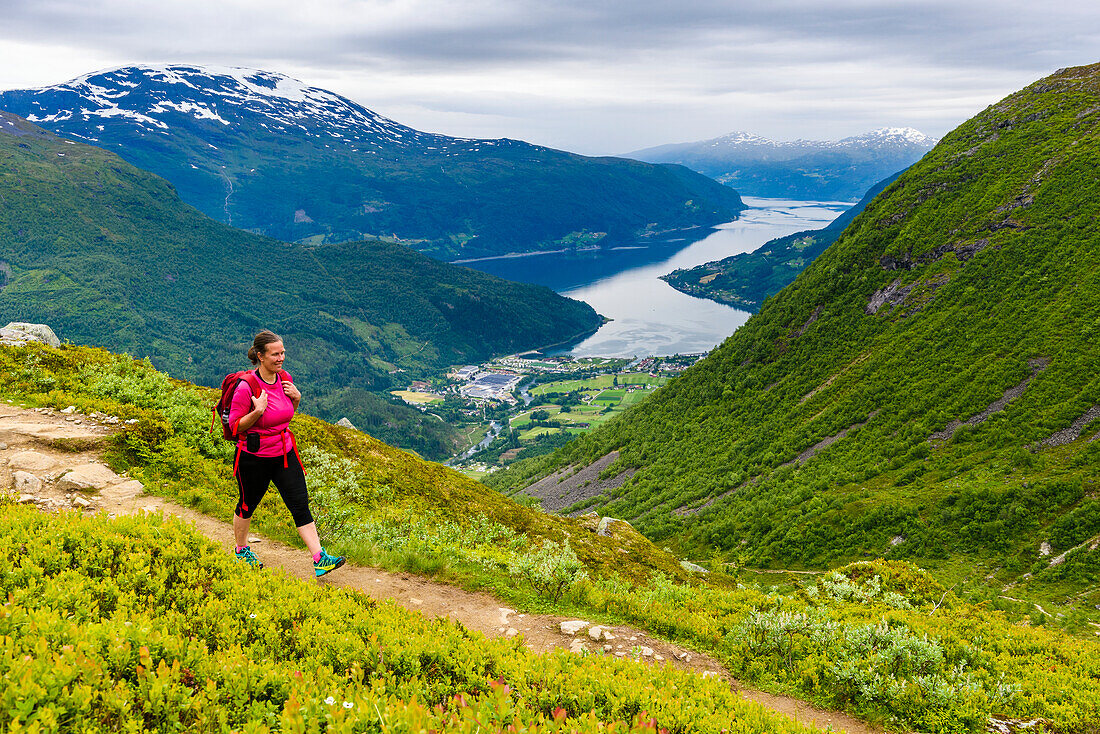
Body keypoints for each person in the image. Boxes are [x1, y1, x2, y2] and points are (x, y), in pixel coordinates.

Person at [228, 330, 345, 577]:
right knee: (248, 505)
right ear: (260, 356)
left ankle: (319, 558)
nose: (281, 358)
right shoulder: (245, 387)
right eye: (275, 354)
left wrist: (297, 399)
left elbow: (285, 414)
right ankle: (241, 550)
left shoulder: (284, 379)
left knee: (300, 505)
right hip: (253, 457)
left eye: (282, 352)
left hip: (284, 453)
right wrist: (257, 411)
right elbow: (235, 426)